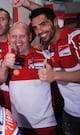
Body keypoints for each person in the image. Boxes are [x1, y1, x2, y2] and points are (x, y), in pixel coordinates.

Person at [0, 22, 57, 135]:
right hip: (18, 124)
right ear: (9, 38)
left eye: (22, 36)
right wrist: (4, 64)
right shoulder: (7, 59)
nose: (18, 40)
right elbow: (0, 79)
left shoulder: (46, 56)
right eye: (14, 36)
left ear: (29, 37)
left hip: (45, 124)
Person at [29, 7, 80, 135]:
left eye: (43, 24)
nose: (39, 31)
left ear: (55, 21)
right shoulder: (50, 46)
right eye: (35, 28)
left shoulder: (75, 37)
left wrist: (55, 75)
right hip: (70, 114)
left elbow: (54, 75)